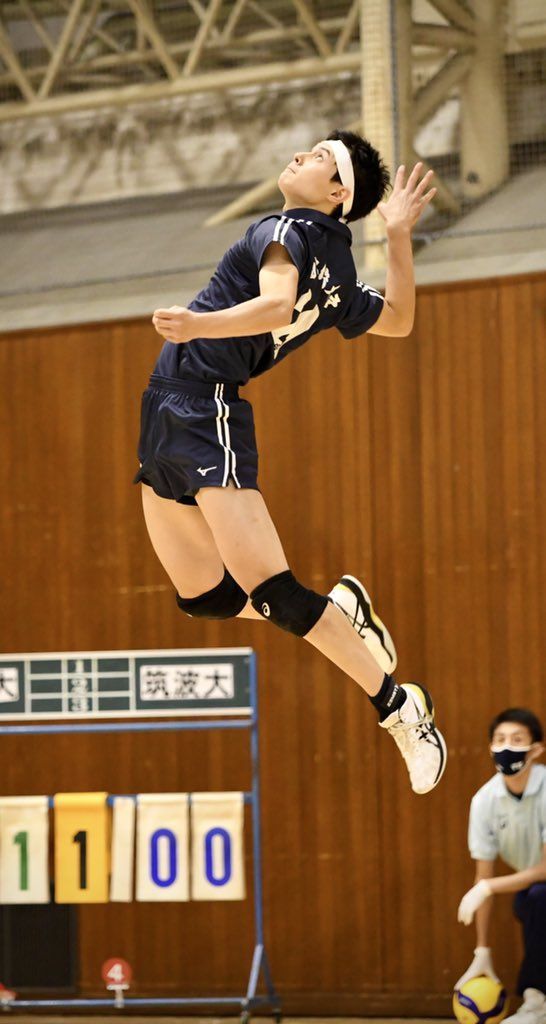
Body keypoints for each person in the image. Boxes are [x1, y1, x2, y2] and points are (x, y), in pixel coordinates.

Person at [135, 128, 446, 795]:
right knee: (207, 598)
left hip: (204, 406)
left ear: (336, 194)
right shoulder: (335, 263)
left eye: (322, 158)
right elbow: (396, 320)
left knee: (274, 592)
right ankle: (341, 611)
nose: (303, 154)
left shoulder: (289, 229)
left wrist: (197, 326)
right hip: (168, 411)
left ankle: (400, 709)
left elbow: (275, 304)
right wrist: (395, 236)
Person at [456, 708, 546, 1022]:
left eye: (517, 739)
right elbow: (484, 876)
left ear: (536, 750)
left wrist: (488, 887)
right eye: (500, 739)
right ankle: (537, 1004)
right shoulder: (484, 801)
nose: (507, 747)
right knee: (533, 900)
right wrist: (482, 951)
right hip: (535, 894)